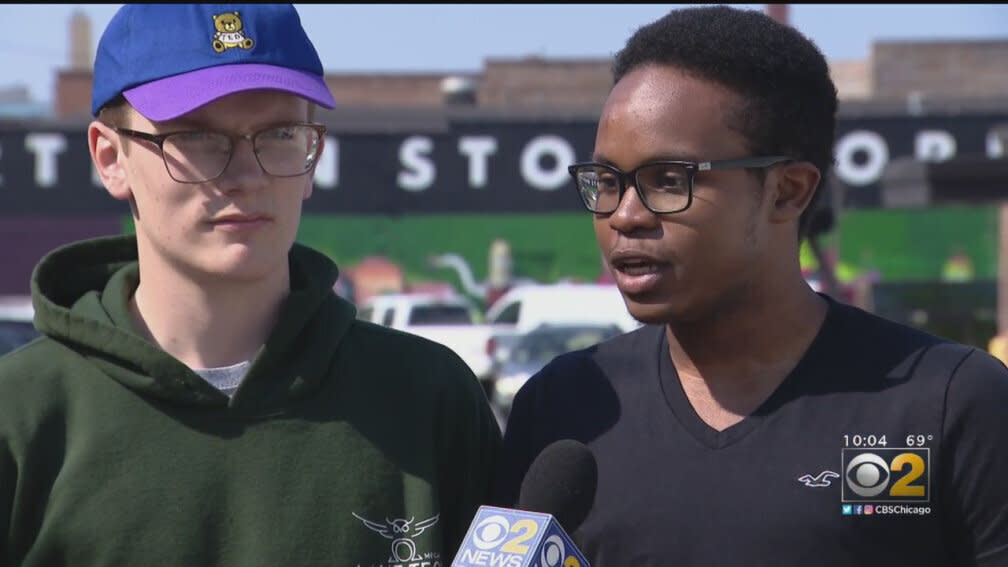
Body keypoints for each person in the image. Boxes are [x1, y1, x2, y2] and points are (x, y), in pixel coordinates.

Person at [491, 6, 1008, 566]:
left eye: (669, 180)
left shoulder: (949, 402)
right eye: (607, 182)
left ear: (787, 191)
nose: (625, 215)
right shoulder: (563, 407)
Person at [0, 5, 500, 566]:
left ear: (314, 157)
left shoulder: (429, 398)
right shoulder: (20, 413)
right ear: (110, 157)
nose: (247, 175)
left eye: (280, 133)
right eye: (196, 137)